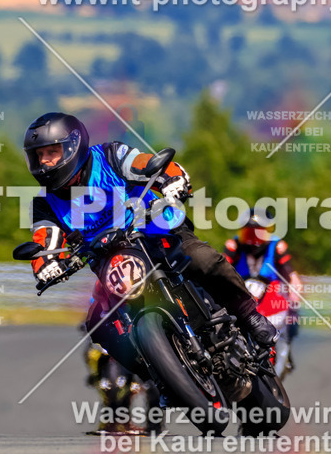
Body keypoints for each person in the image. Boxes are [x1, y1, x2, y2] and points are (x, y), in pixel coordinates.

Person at [22, 113, 279, 370]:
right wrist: (45, 265)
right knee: (97, 324)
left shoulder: (110, 156)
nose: (44, 161)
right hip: (111, 264)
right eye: (38, 155)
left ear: (73, 147)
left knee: (203, 259)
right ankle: (156, 375)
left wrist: (172, 179)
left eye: (52, 152)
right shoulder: (44, 204)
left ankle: (250, 316)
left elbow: (145, 164)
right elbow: (45, 240)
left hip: (157, 231)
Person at [224, 208, 303, 344]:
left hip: (272, 305)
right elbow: (220, 272)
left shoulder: (278, 246)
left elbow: (292, 278)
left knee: (287, 319)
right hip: (243, 303)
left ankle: (282, 345)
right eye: (249, 233)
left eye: (258, 233)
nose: (253, 240)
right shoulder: (234, 246)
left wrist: (294, 294)